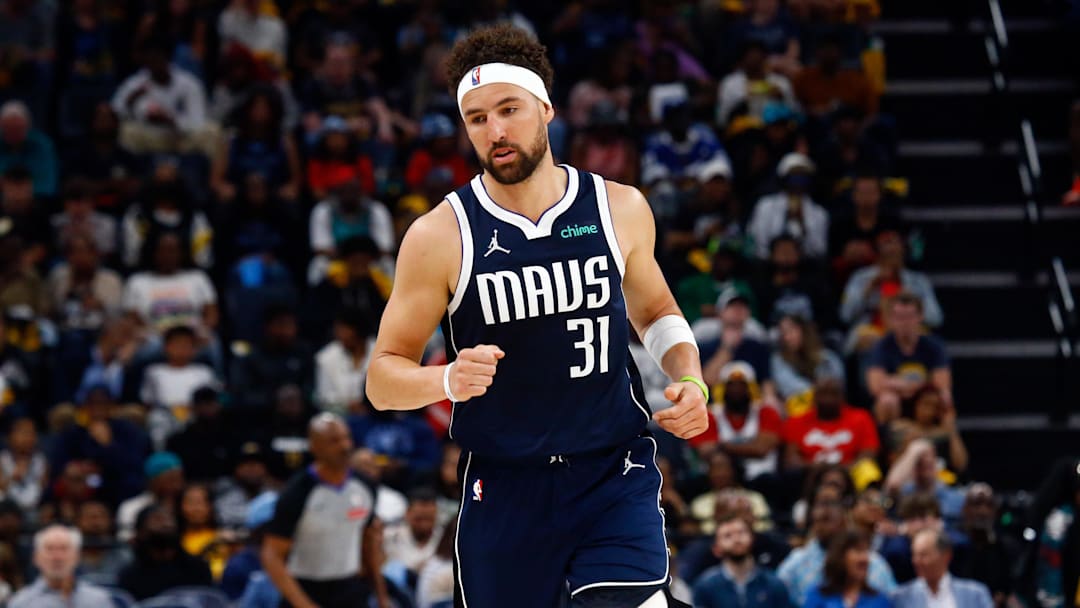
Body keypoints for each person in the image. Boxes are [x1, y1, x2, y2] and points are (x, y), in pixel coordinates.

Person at [365, 24, 708, 608]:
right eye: (477, 118)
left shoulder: (618, 207)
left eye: (509, 109)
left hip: (610, 472)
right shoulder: (439, 236)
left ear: (545, 108)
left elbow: (656, 312)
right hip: (504, 486)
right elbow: (380, 380)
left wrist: (690, 377)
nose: (495, 130)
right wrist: (444, 379)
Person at [261, 413, 389, 608]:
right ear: (314, 447)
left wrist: (381, 597)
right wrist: (304, 604)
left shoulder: (366, 487)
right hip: (305, 587)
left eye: (346, 438)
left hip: (350, 588)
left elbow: (368, 543)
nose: (345, 446)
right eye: (334, 441)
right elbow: (272, 555)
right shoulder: (297, 492)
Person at [777, 488, 896, 605]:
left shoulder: (873, 563)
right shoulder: (794, 565)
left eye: (835, 505)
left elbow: (892, 599)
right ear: (812, 518)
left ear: (846, 517)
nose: (828, 510)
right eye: (822, 505)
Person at [690, 362, 783, 485]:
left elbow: (761, 449)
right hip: (719, 479)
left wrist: (722, 446)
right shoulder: (709, 414)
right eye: (731, 385)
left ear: (751, 388)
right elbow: (705, 450)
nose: (736, 390)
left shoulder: (766, 412)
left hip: (761, 478)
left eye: (742, 385)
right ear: (722, 388)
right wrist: (749, 447)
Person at [865, 293, 951, 424]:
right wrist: (922, 383)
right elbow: (875, 386)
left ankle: (944, 439)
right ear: (891, 319)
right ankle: (891, 440)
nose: (904, 323)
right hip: (897, 400)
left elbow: (942, 384)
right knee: (887, 400)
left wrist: (897, 383)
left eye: (909, 317)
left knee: (945, 398)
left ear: (920, 317)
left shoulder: (934, 346)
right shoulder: (881, 346)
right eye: (899, 317)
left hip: (924, 398)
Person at [692, 512, 793, 607]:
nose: (736, 539)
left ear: (753, 538)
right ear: (716, 549)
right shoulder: (705, 586)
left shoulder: (773, 584)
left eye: (741, 532)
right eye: (728, 535)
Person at [117, 504, 213, 600]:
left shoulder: (198, 567)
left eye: (170, 519)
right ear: (141, 532)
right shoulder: (130, 575)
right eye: (158, 519)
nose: (167, 524)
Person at [783, 377, 879, 469]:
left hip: (850, 476)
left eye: (834, 394)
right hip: (809, 477)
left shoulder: (861, 418)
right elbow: (791, 462)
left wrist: (838, 470)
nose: (828, 399)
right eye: (823, 394)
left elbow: (868, 457)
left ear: (843, 396)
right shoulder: (796, 421)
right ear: (814, 396)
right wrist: (817, 468)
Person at [7, 524, 112, 608]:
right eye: (49, 549)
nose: (57, 557)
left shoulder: (98, 600)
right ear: (36, 558)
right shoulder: (21, 603)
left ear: (77, 557)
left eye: (64, 549)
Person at [748, 153, 829, 261]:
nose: (798, 183)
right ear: (784, 179)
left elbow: (820, 251)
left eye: (803, 178)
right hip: (768, 266)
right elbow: (757, 242)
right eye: (794, 177)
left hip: (804, 268)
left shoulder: (819, 213)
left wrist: (802, 223)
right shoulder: (765, 205)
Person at [892, 528, 994, 608]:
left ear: (946, 556)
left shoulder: (975, 594)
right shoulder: (900, 597)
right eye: (914, 555)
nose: (916, 561)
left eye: (923, 555)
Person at [802, 528, 893, 608]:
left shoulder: (880, 600)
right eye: (858, 551)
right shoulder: (817, 594)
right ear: (840, 556)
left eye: (866, 551)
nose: (865, 558)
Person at [116, 452, 185, 542]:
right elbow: (126, 540)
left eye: (179, 479)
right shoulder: (131, 507)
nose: (176, 486)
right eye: (170, 480)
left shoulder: (186, 505)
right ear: (152, 481)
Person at [383, 486, 443, 574]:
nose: (424, 525)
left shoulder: (446, 539)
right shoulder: (388, 537)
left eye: (429, 519)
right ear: (407, 514)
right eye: (419, 519)